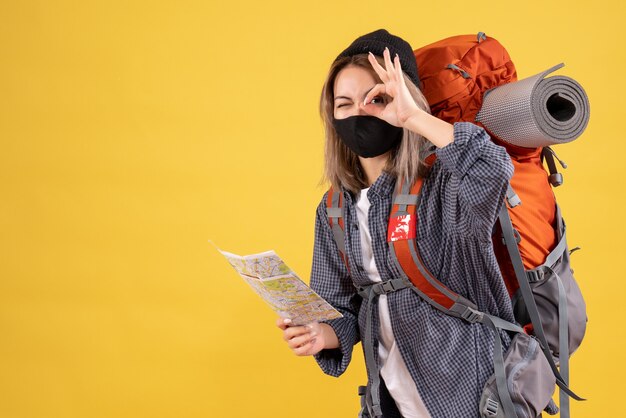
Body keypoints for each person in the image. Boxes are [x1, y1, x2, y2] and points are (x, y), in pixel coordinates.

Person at [276, 29, 516, 418]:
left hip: (473, 393)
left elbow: (492, 170)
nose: (358, 113)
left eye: (376, 99)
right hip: (391, 398)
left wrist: (413, 117)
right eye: (344, 103)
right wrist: (322, 334)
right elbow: (339, 306)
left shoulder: (444, 183)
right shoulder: (334, 207)